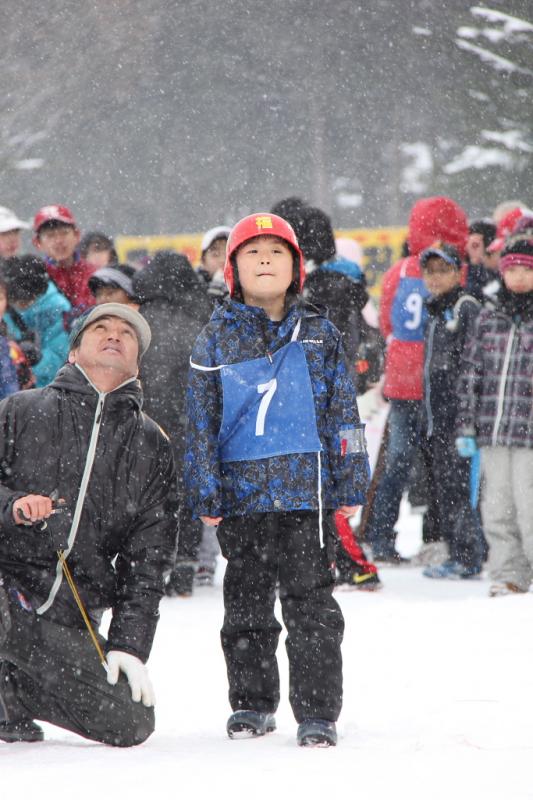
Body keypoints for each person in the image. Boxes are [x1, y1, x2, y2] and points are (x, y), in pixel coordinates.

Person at [185, 213, 369, 747]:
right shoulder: (215, 337)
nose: (265, 260)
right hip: (242, 498)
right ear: (232, 269)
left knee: (312, 607)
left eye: (277, 252)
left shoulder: (320, 333)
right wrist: (204, 487)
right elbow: (200, 422)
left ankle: (317, 711)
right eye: (252, 252)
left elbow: (344, 412)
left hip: (306, 496)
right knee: (245, 608)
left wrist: (351, 478)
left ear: (296, 268)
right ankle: (251, 702)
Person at [0, 303, 176, 745]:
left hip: (67, 617)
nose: (114, 335)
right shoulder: (20, 410)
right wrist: (12, 505)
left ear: (137, 364)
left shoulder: (151, 444)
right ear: (74, 351)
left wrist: (130, 644)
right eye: (101, 327)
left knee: (130, 721)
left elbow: (149, 560)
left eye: (127, 333)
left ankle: (10, 691)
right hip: (7, 591)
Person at [365, 196, 469, 563]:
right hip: (436, 383)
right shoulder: (454, 270)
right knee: (442, 465)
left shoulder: (399, 271)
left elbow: (386, 322)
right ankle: (439, 537)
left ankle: (380, 538)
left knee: (397, 464)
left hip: (403, 380)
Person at [457, 239, 533, 597]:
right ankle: (509, 573)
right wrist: (467, 425)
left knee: (529, 506)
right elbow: (471, 372)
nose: (518, 277)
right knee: (497, 507)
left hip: (528, 434)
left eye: (526, 270)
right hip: (493, 430)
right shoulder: (489, 317)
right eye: (512, 269)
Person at [133, 251, 212, 596]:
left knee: (149, 496)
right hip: (188, 421)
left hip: (146, 421)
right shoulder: (201, 317)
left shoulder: (139, 323)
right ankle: (185, 565)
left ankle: (151, 565)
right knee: (186, 495)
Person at [417, 245, 484, 579]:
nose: (435, 277)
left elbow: (475, 364)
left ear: (458, 273)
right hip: (437, 419)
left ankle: (468, 556)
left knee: (460, 490)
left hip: (460, 419)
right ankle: (459, 551)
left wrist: (467, 417)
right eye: (430, 271)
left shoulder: (464, 307)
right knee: (445, 489)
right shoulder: (435, 310)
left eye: (443, 270)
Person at [2, 256, 71, 387]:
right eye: (13, 300)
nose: (18, 305)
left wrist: (35, 361)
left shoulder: (56, 310)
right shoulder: (9, 309)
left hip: (48, 386)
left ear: (36, 295)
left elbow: (60, 355)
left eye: (23, 302)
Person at [32, 204, 96, 314]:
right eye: (50, 235)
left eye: (64, 233)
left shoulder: (95, 274)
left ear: (77, 235)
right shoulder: (34, 278)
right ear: (38, 243)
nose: (59, 241)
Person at [197, 226, 231, 303]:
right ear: (203, 260)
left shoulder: (248, 287)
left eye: (228, 254)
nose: (223, 260)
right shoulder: (191, 288)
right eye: (215, 254)